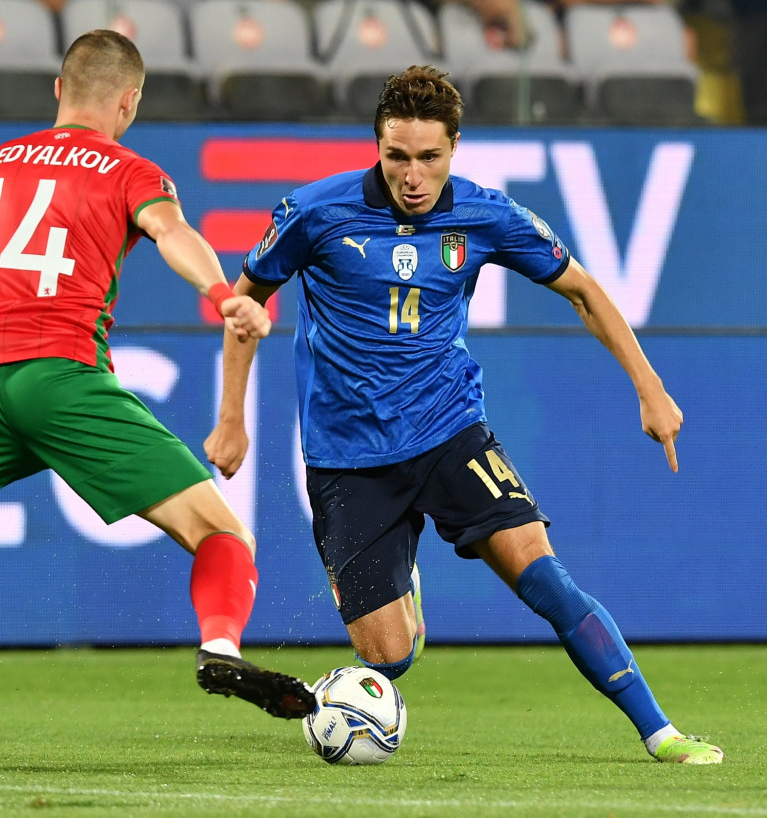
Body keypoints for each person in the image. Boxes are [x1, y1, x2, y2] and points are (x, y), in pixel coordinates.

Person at [0, 29, 316, 786]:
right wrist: (221, 298)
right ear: (129, 102)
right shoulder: (128, 168)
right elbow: (172, 232)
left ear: (57, 89)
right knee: (219, 532)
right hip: (61, 376)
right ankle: (220, 645)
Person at [205, 65, 724, 765]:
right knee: (387, 658)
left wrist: (649, 386)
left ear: (454, 148)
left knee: (541, 574)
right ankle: (401, 602)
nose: (412, 175)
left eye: (429, 158)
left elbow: (583, 289)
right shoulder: (313, 213)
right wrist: (232, 416)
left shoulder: (486, 215)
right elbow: (245, 304)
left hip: (450, 432)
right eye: (397, 157)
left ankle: (660, 732)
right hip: (347, 459)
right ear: (377, 146)